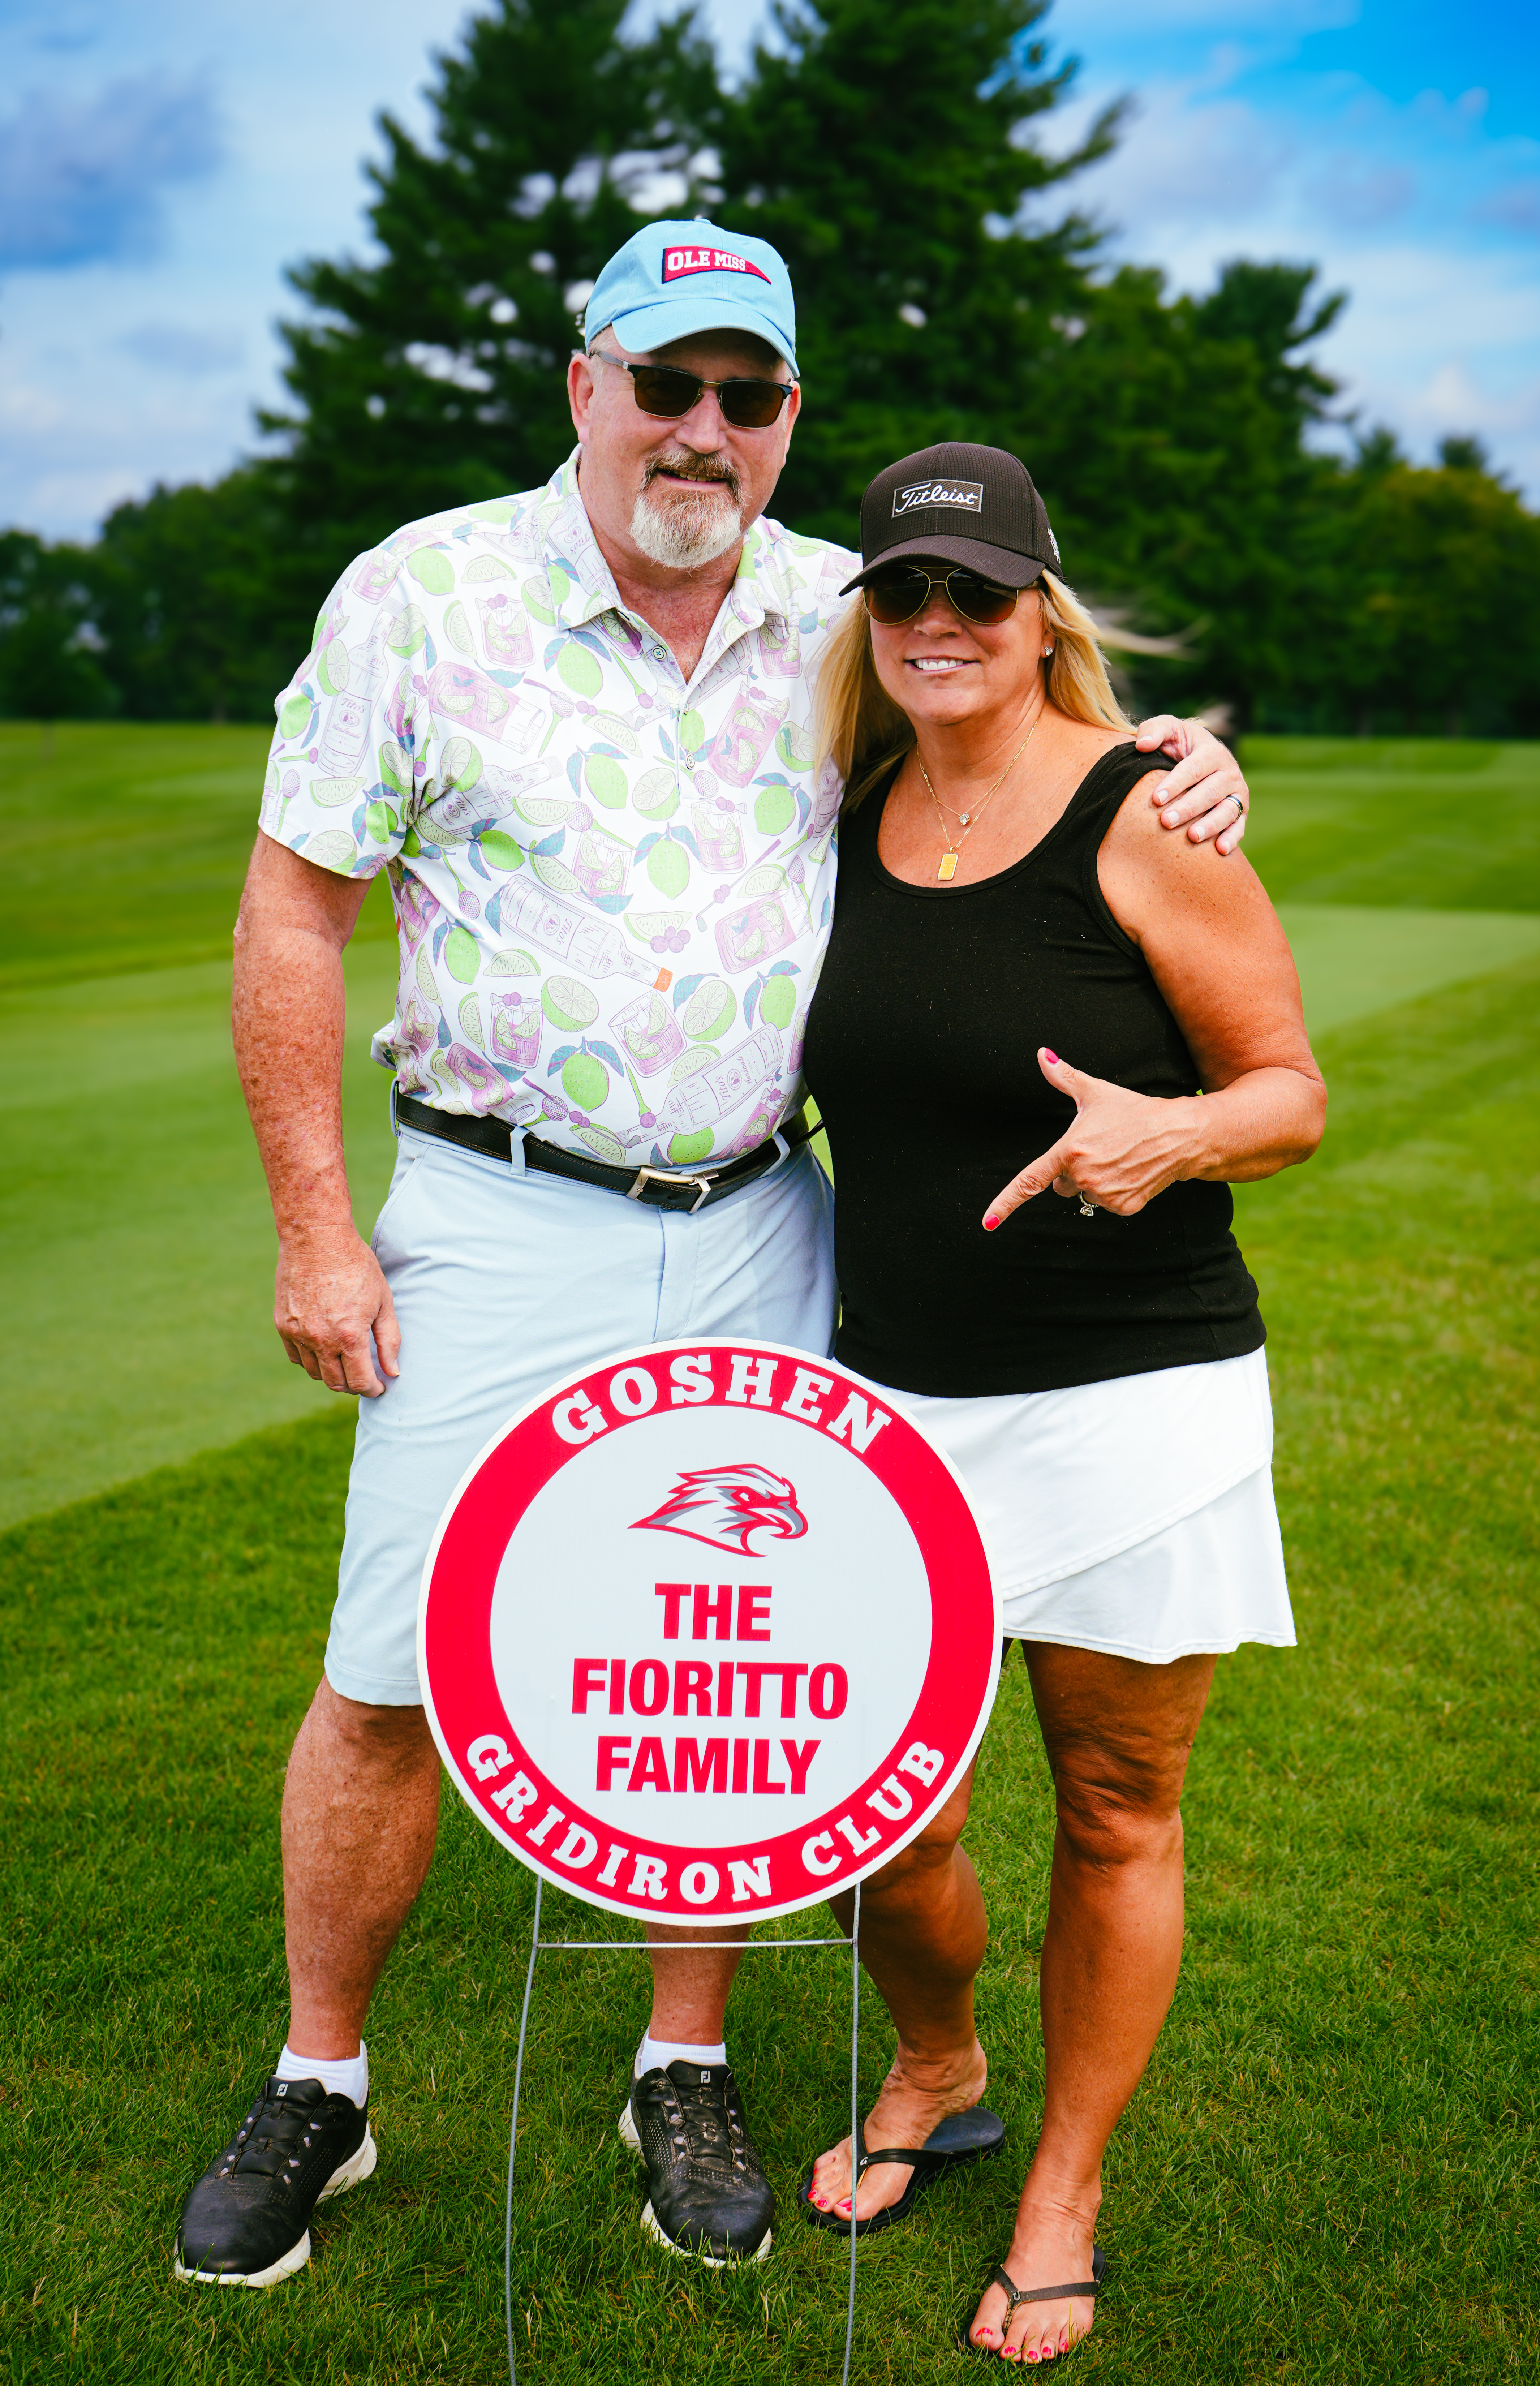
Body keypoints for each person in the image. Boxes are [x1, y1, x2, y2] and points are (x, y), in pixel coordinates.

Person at [174, 225, 1254, 2289]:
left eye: (745, 397)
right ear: (583, 383)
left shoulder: (837, 619)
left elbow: (1021, 755)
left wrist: (1184, 759)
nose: (701, 429)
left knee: (720, 1661)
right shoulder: (426, 593)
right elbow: (292, 916)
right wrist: (316, 1228)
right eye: (663, 382)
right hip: (494, 1211)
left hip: (767, 1217)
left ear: (785, 427)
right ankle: (323, 2082)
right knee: (392, 1667)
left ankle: (681, 2058)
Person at [798, 442, 1325, 2363]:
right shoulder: (840, 803)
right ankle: (938, 2066)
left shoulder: (1143, 815)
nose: (938, 624)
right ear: (871, 614)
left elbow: (1288, 1088)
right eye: (904, 593)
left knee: (1113, 1806)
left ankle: (1061, 2186)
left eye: (976, 594)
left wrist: (1167, 1133)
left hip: (1134, 1395)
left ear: (1039, 616)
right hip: (891, 1413)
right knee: (869, 1817)